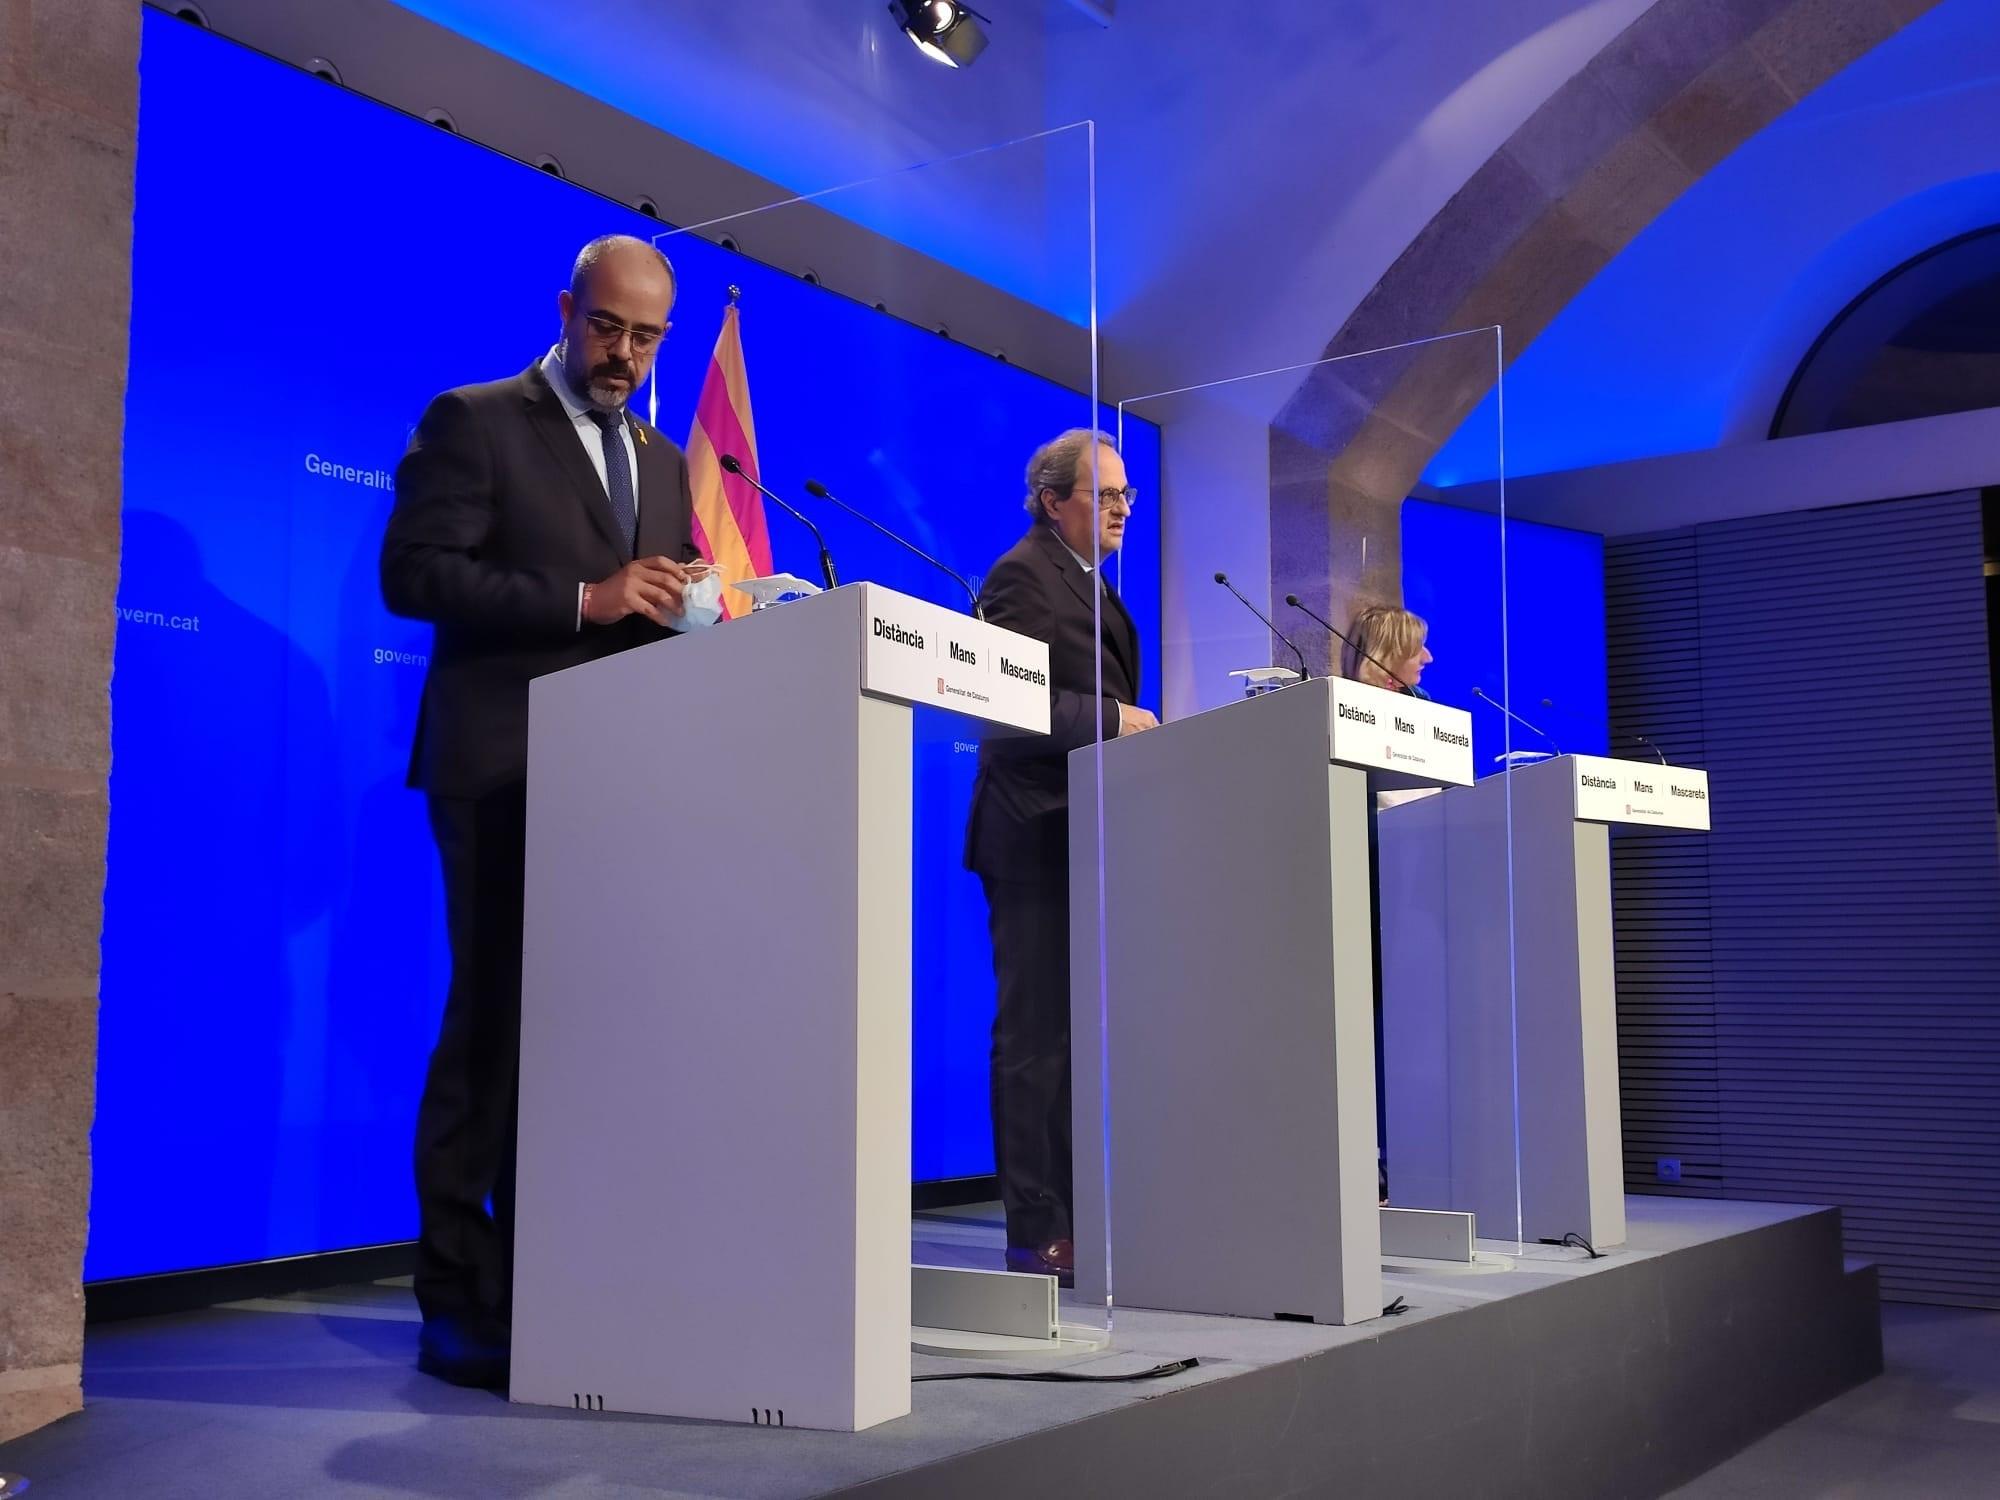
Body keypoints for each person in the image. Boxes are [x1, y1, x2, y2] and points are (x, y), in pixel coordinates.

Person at [380, 234, 704, 1388]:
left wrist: (722, 605)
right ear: (568, 310)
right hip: (501, 769)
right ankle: (457, 1299)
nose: (624, 354)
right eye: (608, 326)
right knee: (491, 1035)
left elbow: (665, 592)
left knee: (575, 1043)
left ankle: (548, 1279)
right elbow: (411, 574)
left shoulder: (665, 464)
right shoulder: (473, 419)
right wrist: (584, 597)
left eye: (647, 337)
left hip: (617, 785)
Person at [965, 429, 1155, 1282]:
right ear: (1053, 501)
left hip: (1084, 831)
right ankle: (1034, 1229)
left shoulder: (1092, 585)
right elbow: (1001, 708)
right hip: (1033, 831)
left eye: (1126, 496)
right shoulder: (1022, 575)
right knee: (1035, 1040)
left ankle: (1080, 1215)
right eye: (1104, 495)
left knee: (1075, 1041)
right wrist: (1112, 720)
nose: (1121, 510)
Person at [1343, 602, 1435, 1204]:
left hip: (1426, 887)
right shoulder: (1349, 715)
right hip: (1372, 886)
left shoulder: (1428, 719)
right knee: (1370, 1029)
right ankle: (1366, 1163)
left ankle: (1425, 1159)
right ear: (1386, 657)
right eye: (1415, 649)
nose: (1428, 659)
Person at [1344, 603, 1433, 698]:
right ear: (1383, 656)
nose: (1428, 658)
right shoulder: (1341, 700)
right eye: (1416, 647)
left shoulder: (1419, 699)